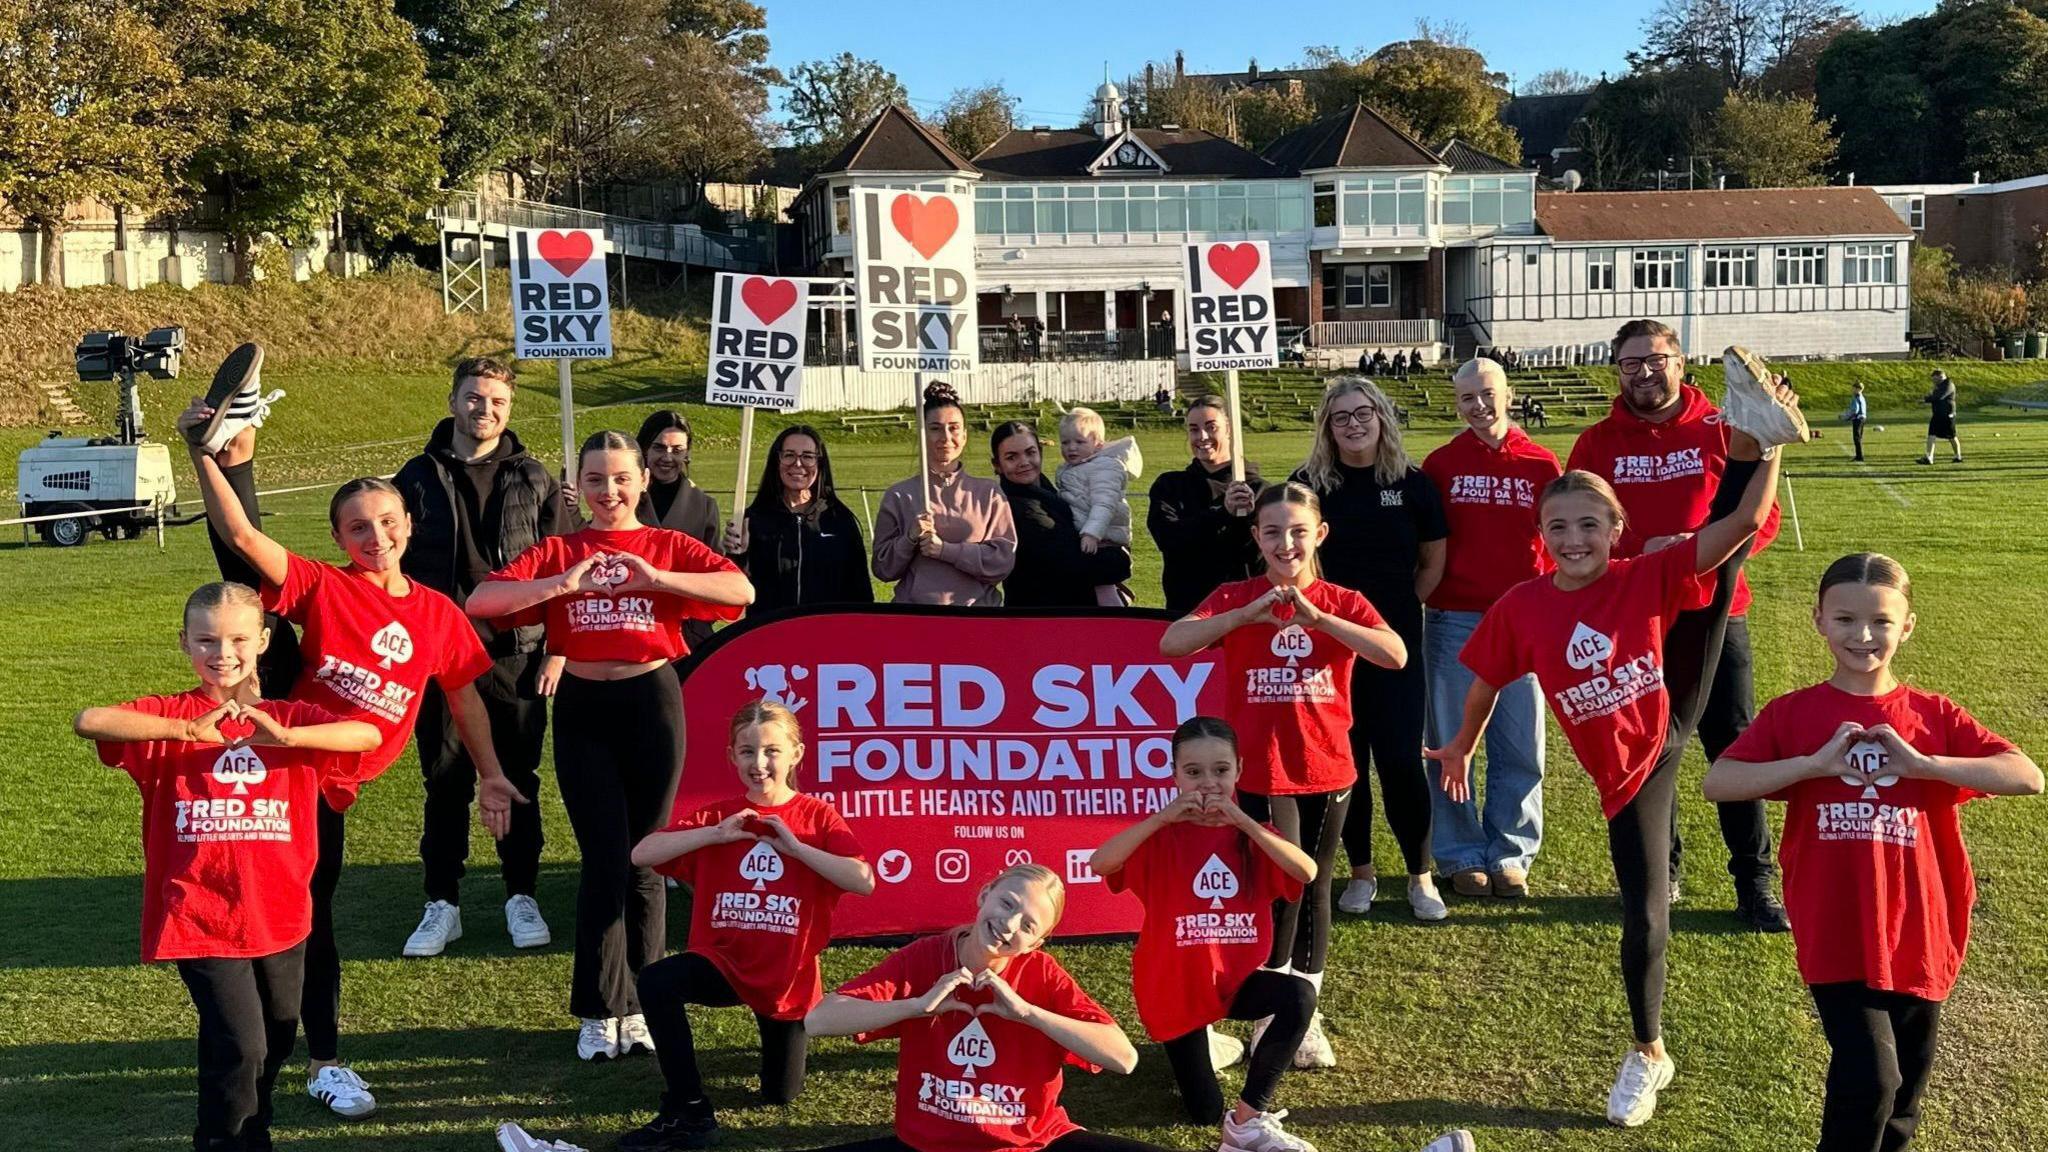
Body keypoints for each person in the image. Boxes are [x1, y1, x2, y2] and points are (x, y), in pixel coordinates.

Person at [1428, 354, 1808, 1127]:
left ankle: (1646, 1052)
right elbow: (1485, 681)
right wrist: (1462, 745)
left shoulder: (1640, 572)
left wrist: (1772, 458)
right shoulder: (1522, 606)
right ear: (1540, 535)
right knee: (1642, 900)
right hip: (1625, 770)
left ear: (1616, 531)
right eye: (1559, 526)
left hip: (1663, 729)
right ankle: (1750, 438)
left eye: (1590, 526)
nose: (1575, 539)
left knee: (1646, 917)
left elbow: (1738, 526)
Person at [178, 404, 518, 1121]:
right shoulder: (327, 587)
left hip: (336, 788)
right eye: (358, 528)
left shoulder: (438, 613)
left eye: (387, 523)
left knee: (308, 918)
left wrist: (490, 773)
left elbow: (466, 701)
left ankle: (299, 1056)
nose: (376, 537)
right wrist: (198, 453)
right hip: (289, 773)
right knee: (301, 922)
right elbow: (241, 536)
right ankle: (304, 1056)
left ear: (408, 526)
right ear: (338, 537)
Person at [1703, 553, 2040, 1152]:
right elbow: (1720, 781)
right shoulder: (1795, 714)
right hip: (1836, 924)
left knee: (1905, 1092)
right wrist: (1812, 765)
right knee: (1870, 1078)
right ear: (1819, 622)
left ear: (1907, 625)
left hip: (1921, 926)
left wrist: (1923, 765)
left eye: (1881, 621)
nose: (1863, 635)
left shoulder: (1932, 716)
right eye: (1846, 619)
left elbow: (2025, 774)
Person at [467, 430, 754, 1062]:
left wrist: (658, 578)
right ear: (579, 485)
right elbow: (482, 600)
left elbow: (740, 593)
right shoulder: (560, 549)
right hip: (583, 709)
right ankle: (600, 1008)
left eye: (622, 478)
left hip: (652, 701)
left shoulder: (666, 545)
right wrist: (559, 588)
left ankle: (645, 1001)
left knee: (647, 860)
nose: (610, 491)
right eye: (596, 480)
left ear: (643, 479)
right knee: (604, 861)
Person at [72, 581, 381, 1152]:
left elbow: (367, 732)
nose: (223, 652)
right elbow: (90, 719)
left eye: (239, 638)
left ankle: (251, 1128)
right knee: (240, 1043)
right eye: (206, 640)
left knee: (279, 1034)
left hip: (282, 912)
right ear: (185, 643)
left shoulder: (292, 718)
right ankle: (224, 1141)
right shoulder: (170, 716)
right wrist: (186, 730)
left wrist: (286, 735)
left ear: (263, 641)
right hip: (200, 912)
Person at [1161, 483, 1408, 1070]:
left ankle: (1305, 1009)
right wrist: (1245, 614)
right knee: (1269, 892)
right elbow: (1172, 641)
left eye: (1298, 531)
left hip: (1326, 769)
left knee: (1314, 887)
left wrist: (1318, 618)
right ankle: (1269, 1008)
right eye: (1272, 532)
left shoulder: (1342, 601)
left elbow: (1394, 654)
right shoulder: (1235, 596)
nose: (1286, 543)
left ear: (1319, 534)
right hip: (1257, 775)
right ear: (1257, 538)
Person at [1567, 322, 1790, 932]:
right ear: (1616, 370)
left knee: (1733, 742)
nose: (1643, 373)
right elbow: (1581, 523)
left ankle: (1754, 881)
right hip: (1636, 617)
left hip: (1718, 608)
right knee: (1647, 747)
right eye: (1629, 363)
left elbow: (1758, 520)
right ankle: (1660, 873)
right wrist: (1646, 557)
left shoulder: (1723, 427)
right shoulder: (1595, 443)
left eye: (1655, 360)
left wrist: (1695, 551)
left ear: (1681, 361)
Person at [620, 700, 874, 1151]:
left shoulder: (817, 817)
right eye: (747, 752)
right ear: (731, 756)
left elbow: (864, 880)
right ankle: (689, 1108)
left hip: (786, 978)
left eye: (772, 751)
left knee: (779, 1095)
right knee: (658, 982)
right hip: (723, 963)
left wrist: (798, 850)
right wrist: (716, 835)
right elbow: (642, 854)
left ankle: (774, 1056)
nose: (759, 764)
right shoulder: (722, 815)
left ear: (796, 753)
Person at [392, 356, 567, 960]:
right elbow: (389, 564)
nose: (485, 410)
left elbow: (561, 574)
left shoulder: (535, 478)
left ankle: (521, 894)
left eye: (497, 401)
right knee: (445, 781)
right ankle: (441, 902)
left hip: (515, 656)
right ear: (452, 400)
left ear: (509, 409)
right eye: (474, 398)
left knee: (518, 778)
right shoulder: (413, 476)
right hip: (441, 656)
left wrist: (557, 650)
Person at [797, 863, 1148, 1152]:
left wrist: (1028, 1013)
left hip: (1029, 1145)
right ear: (985, 895)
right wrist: (917, 1007)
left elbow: (1123, 1058)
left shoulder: (1042, 974)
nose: (1009, 925)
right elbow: (819, 1020)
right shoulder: (926, 956)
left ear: (1035, 944)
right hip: (928, 1145)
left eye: (1028, 926)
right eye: (1007, 904)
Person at [1089, 717, 1319, 1152]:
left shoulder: (1251, 836)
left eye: (1221, 770)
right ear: (1175, 774)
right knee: (1202, 1111)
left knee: (1298, 996)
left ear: (1238, 771)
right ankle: (1208, 1045)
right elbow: (1101, 863)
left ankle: (1248, 1119)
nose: (1208, 783)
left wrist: (1245, 823)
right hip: (1175, 989)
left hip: (1233, 984)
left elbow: (1305, 871)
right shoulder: (1161, 835)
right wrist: (1163, 817)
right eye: (1193, 772)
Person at [1290, 379, 1448, 922]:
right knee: (1346, 764)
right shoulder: (1309, 484)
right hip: (1328, 652)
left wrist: (1391, 618)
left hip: (1394, 646)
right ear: (1326, 428)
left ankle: (1420, 874)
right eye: (1340, 418)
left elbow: (1431, 563)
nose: (1353, 425)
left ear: (1382, 417)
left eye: (1363, 414)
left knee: (1402, 760)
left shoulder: (1412, 484)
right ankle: (1361, 873)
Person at [1420, 360, 1561, 899]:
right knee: (1452, 742)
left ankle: (1511, 852)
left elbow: (1556, 542)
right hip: (1454, 618)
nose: (1479, 406)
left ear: (1509, 394)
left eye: (1487, 394)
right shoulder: (1442, 465)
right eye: (1466, 399)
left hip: (1521, 621)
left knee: (1520, 741)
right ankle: (1459, 853)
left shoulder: (1541, 465)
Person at [871, 382, 1017, 606]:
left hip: (976, 621)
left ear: (965, 435)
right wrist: (909, 539)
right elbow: (883, 568)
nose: (946, 437)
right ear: (921, 434)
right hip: (916, 620)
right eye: (935, 428)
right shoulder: (899, 496)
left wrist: (946, 551)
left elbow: (1002, 562)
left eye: (954, 427)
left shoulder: (989, 494)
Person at [721, 425, 874, 612]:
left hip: (829, 633)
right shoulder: (753, 519)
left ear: (820, 463)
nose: (798, 464)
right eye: (789, 455)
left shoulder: (840, 520)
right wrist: (737, 554)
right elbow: (734, 593)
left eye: (808, 456)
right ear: (777, 460)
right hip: (771, 633)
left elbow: (861, 593)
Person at [993, 422, 1134, 607]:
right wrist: (1121, 558)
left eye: (1030, 452)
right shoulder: (1019, 508)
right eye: (1012, 457)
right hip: (1044, 616)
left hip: (1067, 612)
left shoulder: (1049, 492)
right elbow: (1074, 564)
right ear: (997, 465)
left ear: (1040, 452)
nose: (1024, 462)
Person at [1147, 396, 1266, 616]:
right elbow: (1170, 540)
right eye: (1194, 429)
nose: (1202, 437)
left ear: (1229, 430)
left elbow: (1262, 557)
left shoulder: (1259, 491)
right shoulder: (1170, 486)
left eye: (1211, 428)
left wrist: (1249, 517)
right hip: (1187, 612)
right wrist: (1222, 514)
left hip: (1245, 613)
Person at [1056, 407, 1144, 607]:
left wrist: (1091, 533)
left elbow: (1104, 505)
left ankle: (1117, 616)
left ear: (1097, 444)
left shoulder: (1104, 467)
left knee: (1102, 586)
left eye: (1079, 442)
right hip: (1089, 536)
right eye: (1065, 442)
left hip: (1104, 539)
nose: (1071, 448)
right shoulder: (1073, 468)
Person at [1919, 370, 1960, 464]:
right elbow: (1935, 396)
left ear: (1941, 377)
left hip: (1947, 414)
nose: (1933, 382)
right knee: (1931, 435)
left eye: (1935, 379)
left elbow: (1939, 397)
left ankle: (1958, 456)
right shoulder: (1939, 386)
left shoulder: (1948, 385)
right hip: (1938, 414)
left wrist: (1925, 399)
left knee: (1952, 436)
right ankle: (1929, 457)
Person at [1845, 383, 1869, 462]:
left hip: (1858, 419)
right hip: (1863, 418)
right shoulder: (1862, 397)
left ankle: (1859, 456)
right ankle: (1859, 455)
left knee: (1856, 438)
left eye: (1854, 388)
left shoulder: (1856, 397)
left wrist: (1848, 417)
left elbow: (1855, 410)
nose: (1852, 390)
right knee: (1859, 437)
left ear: (1858, 389)